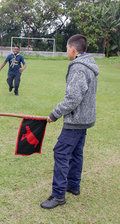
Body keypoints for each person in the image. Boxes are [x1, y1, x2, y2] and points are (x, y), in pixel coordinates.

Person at [40, 34, 99, 209]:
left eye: (66, 48)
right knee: (76, 153)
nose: (66, 52)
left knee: (61, 152)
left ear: (73, 49)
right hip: (84, 119)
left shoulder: (79, 68)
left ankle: (58, 195)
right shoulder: (90, 65)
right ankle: (73, 185)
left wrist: (55, 114)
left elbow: (73, 98)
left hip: (76, 119)